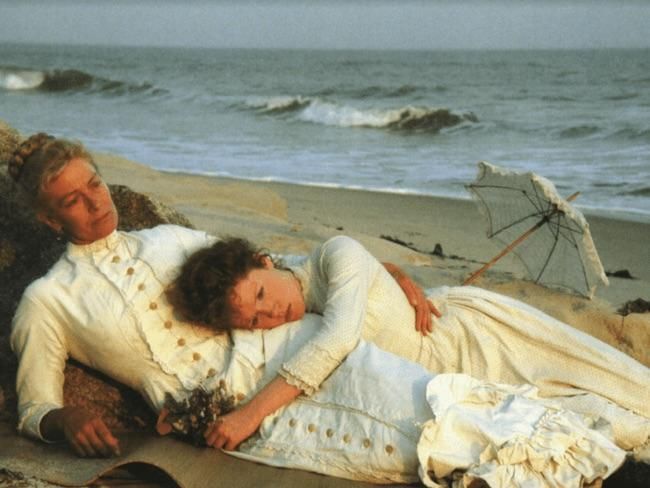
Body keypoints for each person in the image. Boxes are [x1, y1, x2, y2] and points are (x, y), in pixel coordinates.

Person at [7, 132, 431, 461]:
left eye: (95, 184)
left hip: (287, 348)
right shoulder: (47, 300)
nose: (95, 203)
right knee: (399, 443)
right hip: (217, 419)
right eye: (72, 201)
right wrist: (64, 419)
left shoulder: (168, 238)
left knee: (411, 395)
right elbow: (33, 407)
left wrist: (372, 270)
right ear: (50, 220)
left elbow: (269, 268)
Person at [169, 236, 650, 460]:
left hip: (469, 337)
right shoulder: (297, 278)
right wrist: (395, 272)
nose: (270, 313)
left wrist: (250, 414)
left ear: (265, 260)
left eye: (260, 294)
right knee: (572, 420)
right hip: (440, 373)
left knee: (614, 389)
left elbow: (338, 337)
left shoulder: (336, 253)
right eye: (254, 320)